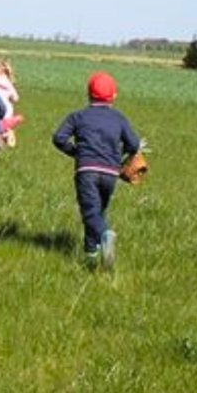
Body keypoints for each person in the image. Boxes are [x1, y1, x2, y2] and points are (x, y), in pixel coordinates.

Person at [51, 72, 141, 271]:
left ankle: (104, 235)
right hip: (111, 172)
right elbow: (134, 144)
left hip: (87, 170)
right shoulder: (119, 118)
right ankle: (91, 252)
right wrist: (120, 156)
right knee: (98, 210)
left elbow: (59, 138)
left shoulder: (78, 116)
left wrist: (75, 152)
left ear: (88, 94)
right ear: (114, 96)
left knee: (90, 212)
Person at [0, 58, 24, 147]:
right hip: (7, 111)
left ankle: (5, 135)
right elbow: (16, 98)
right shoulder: (8, 83)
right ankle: (6, 133)